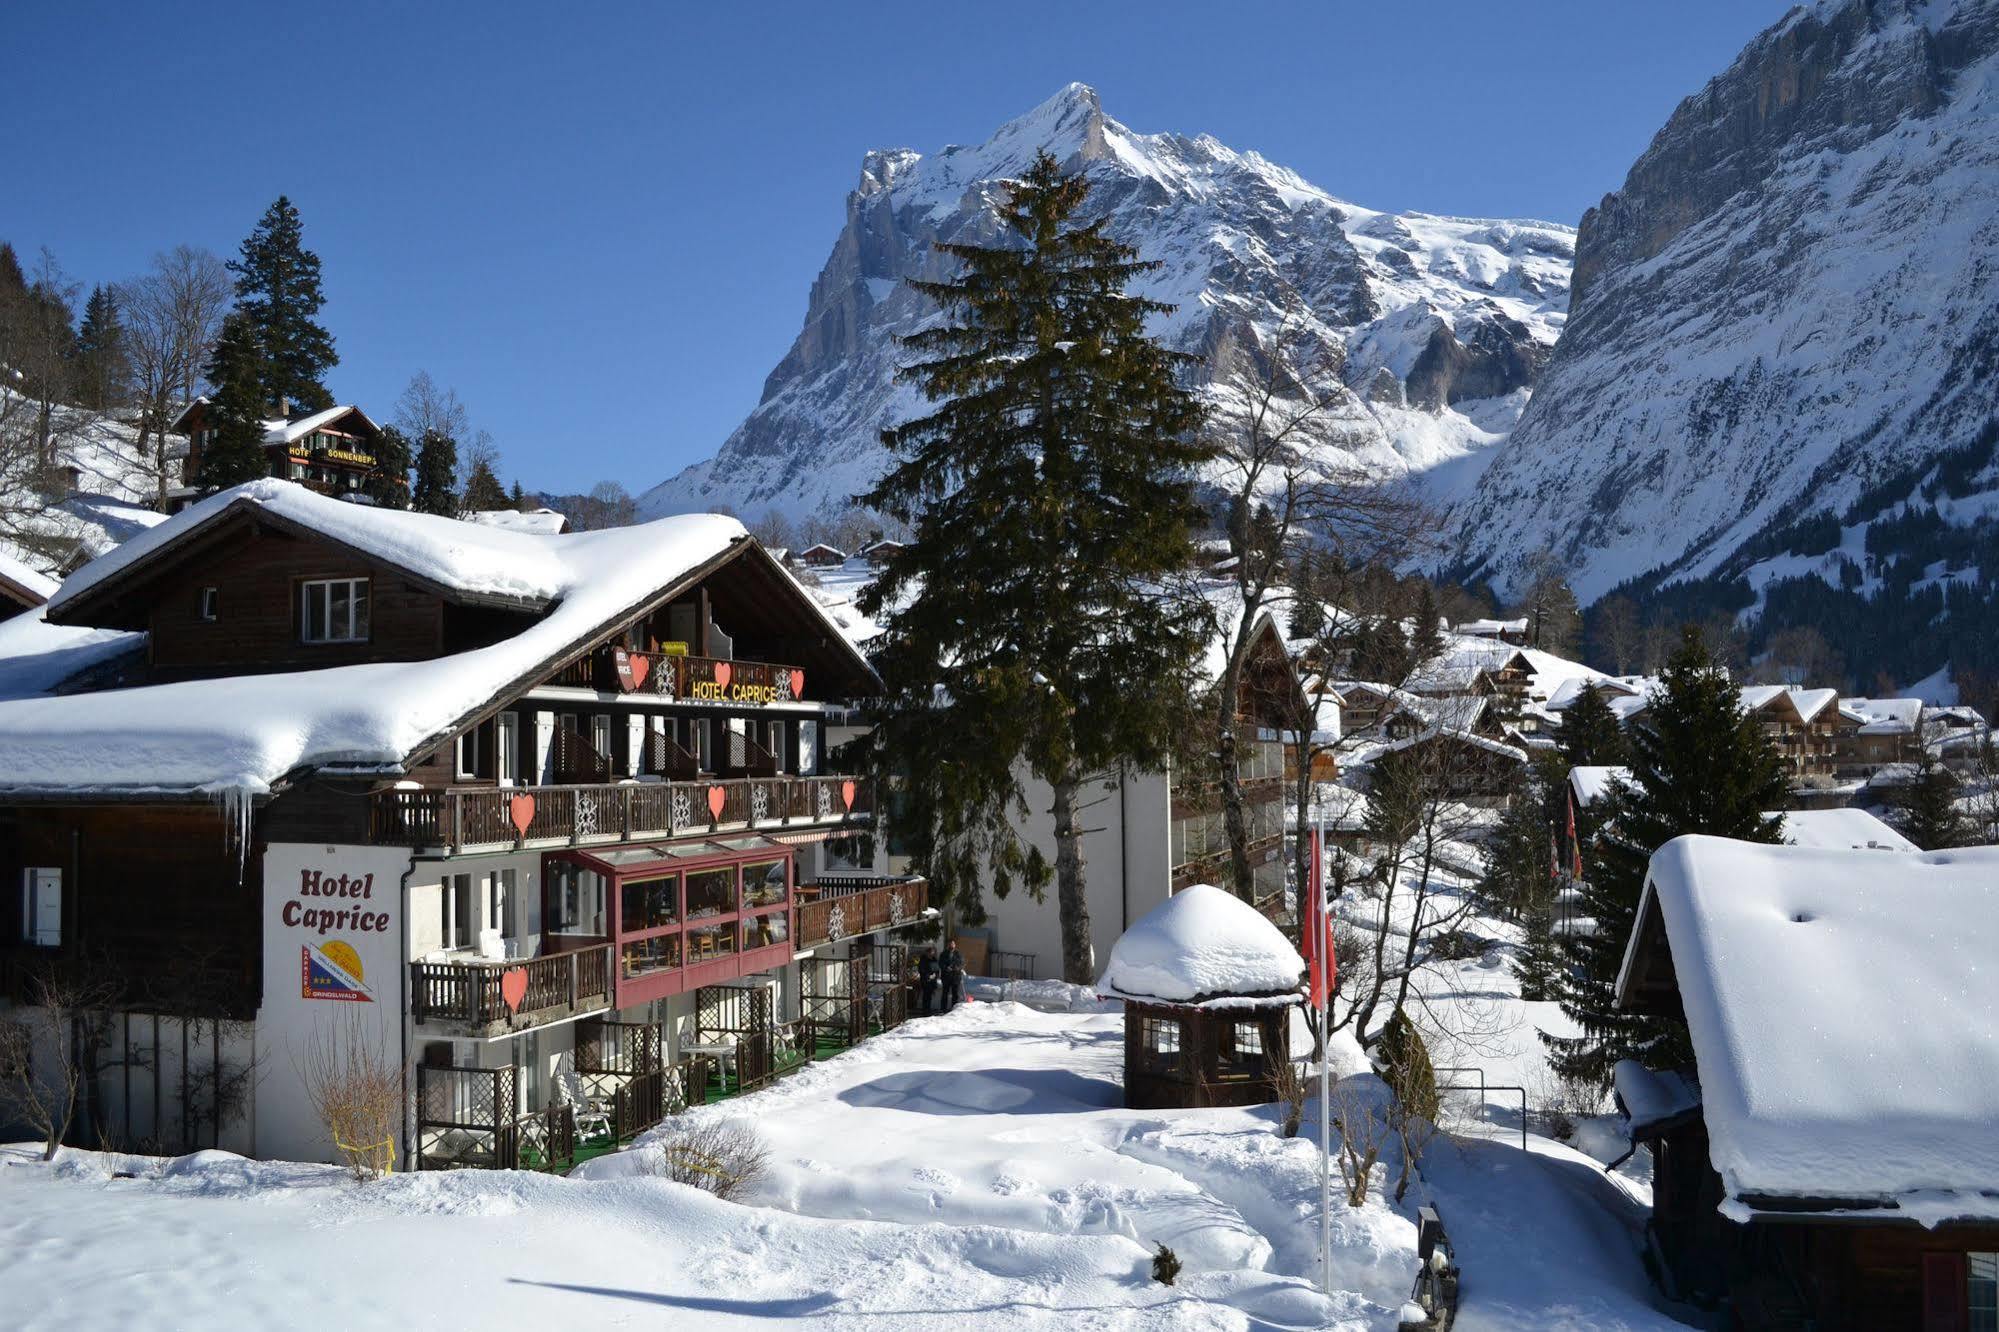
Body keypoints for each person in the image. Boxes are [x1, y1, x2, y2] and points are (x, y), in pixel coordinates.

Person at [940, 939, 966, 1012]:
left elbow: (962, 963)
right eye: (950, 944)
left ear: (955, 945)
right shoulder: (943, 954)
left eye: (953, 944)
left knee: (955, 994)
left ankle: (953, 1010)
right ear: (948, 945)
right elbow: (941, 963)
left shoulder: (958, 954)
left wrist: (956, 968)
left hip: (955, 977)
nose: (951, 945)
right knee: (945, 993)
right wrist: (946, 967)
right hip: (946, 977)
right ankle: (943, 1009)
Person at [917, 947, 940, 1015]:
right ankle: (925, 1010)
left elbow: (937, 969)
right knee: (925, 996)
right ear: (927, 953)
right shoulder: (923, 960)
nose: (931, 953)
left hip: (932, 981)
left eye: (932, 952)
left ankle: (928, 1009)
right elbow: (921, 970)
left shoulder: (934, 960)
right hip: (925, 980)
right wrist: (928, 976)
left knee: (929, 996)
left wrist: (935, 975)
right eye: (930, 952)